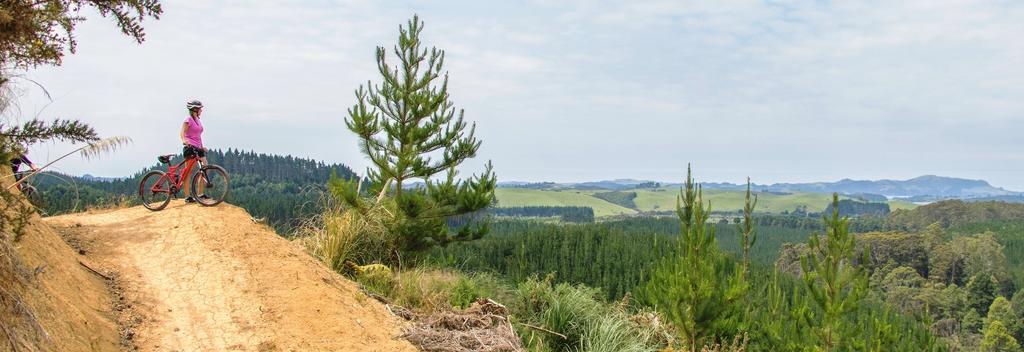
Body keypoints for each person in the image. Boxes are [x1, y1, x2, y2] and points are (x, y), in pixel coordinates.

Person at [180, 99, 208, 203]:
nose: (201, 110)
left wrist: (202, 147)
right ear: (195, 109)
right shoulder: (188, 119)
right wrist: (185, 141)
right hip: (190, 147)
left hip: (198, 147)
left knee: (205, 168)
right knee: (188, 172)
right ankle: (187, 196)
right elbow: (182, 133)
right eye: (200, 108)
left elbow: (198, 136)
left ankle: (200, 194)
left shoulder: (198, 120)